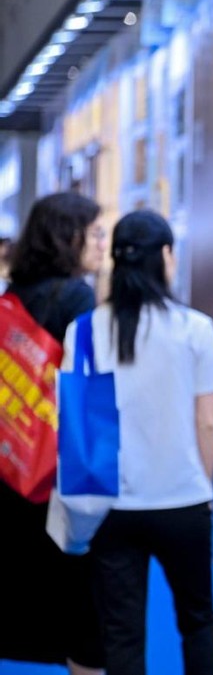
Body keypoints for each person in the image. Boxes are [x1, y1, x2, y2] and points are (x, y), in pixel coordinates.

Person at [66, 209, 213, 675]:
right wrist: (204, 489)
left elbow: (78, 421)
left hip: (111, 505)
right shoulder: (195, 328)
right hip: (183, 500)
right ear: (165, 256)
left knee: (122, 633)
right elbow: (208, 423)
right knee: (198, 622)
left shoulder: (85, 330)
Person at [0, 192, 107, 675]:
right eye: (95, 233)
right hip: (54, 475)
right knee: (81, 619)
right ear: (68, 237)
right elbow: (86, 391)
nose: (102, 244)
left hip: (8, 465)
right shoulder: (77, 297)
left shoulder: (9, 298)